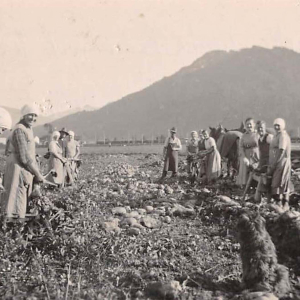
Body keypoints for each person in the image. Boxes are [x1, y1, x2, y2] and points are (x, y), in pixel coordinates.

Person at [0, 104, 45, 221]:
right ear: (24, 115)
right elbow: (24, 157)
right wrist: (38, 173)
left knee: (19, 198)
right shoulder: (19, 130)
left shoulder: (28, 128)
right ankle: (12, 229)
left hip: (23, 168)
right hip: (18, 168)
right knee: (15, 199)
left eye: (35, 116)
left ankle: (15, 228)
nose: (33, 118)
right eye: (30, 115)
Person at [268, 118, 291, 210]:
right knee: (278, 182)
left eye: (278, 125)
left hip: (281, 162)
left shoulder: (283, 136)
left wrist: (276, 162)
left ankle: (283, 203)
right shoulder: (276, 135)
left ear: (282, 126)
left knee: (280, 182)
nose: (277, 127)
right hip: (277, 162)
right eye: (275, 125)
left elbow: (282, 150)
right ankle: (279, 202)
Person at [236, 117, 260, 188]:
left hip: (257, 155)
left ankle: (256, 185)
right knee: (246, 169)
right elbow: (241, 147)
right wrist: (244, 157)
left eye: (250, 124)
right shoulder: (243, 136)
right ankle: (246, 185)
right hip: (247, 155)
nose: (249, 126)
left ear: (254, 124)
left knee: (257, 169)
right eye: (247, 125)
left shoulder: (258, 134)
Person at [254, 121, 273, 202]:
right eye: (258, 128)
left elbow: (275, 149)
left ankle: (267, 199)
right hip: (263, 163)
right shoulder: (259, 139)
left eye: (261, 128)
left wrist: (271, 163)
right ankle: (260, 198)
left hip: (270, 162)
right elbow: (261, 154)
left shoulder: (269, 137)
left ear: (265, 128)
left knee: (267, 181)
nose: (260, 130)